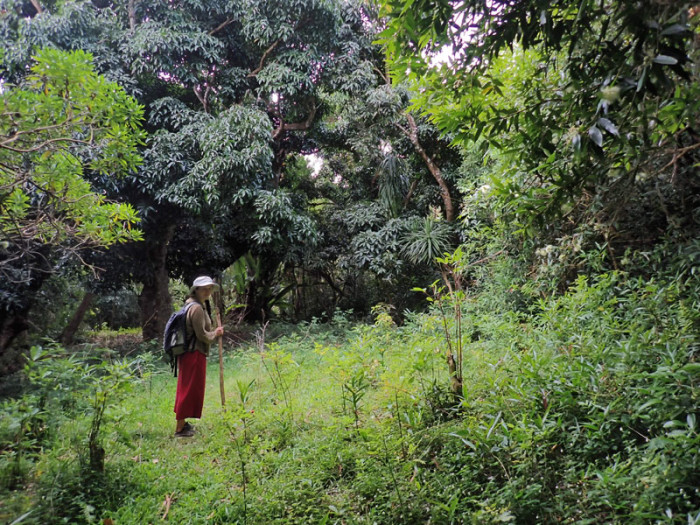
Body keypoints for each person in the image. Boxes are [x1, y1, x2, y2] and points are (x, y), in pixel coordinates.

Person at [173, 275, 224, 437]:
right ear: (196, 290)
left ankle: (182, 424)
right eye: (204, 288)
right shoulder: (195, 308)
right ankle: (180, 429)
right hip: (194, 354)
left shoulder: (191, 305)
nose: (207, 291)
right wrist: (215, 333)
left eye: (209, 288)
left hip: (189, 353)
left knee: (187, 388)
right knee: (188, 390)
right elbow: (201, 334)